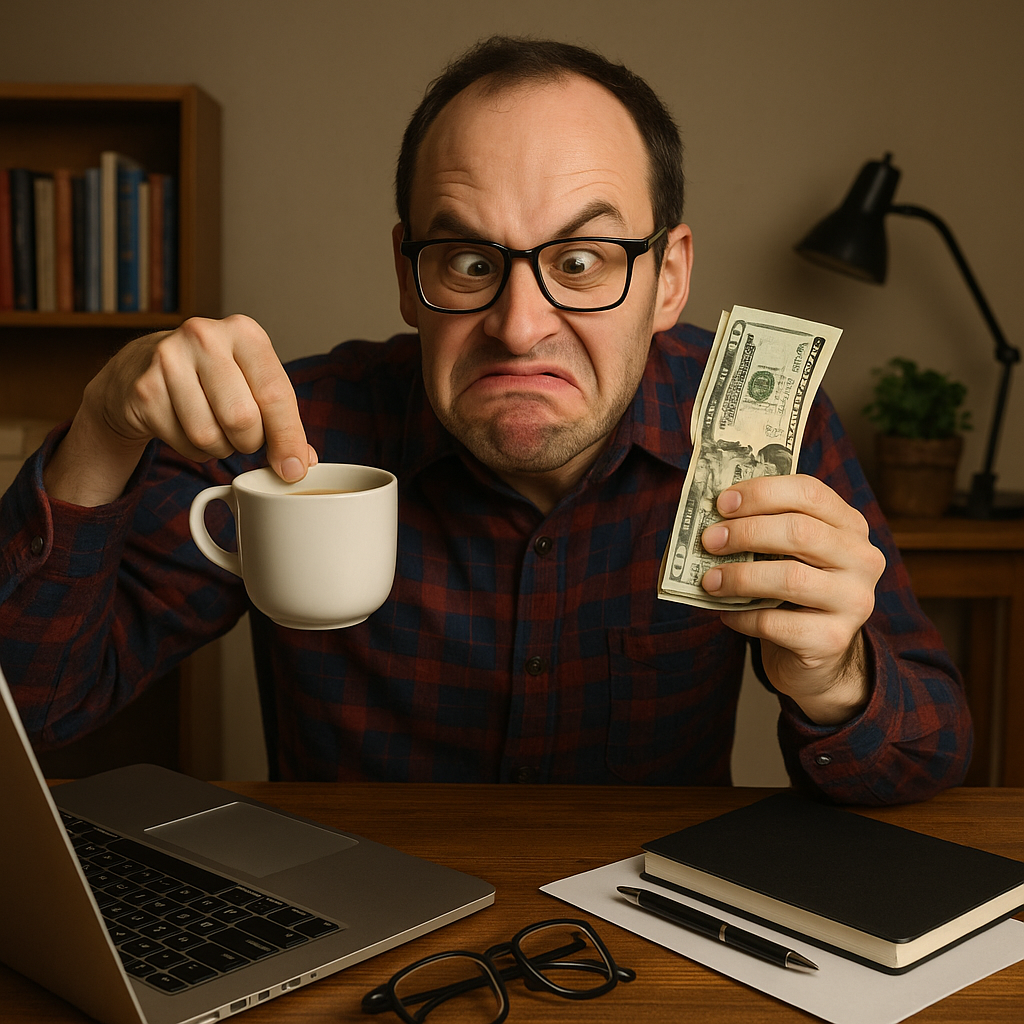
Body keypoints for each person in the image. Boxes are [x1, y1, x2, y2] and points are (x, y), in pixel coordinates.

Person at [0, 37, 970, 802]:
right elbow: (33, 707)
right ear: (406, 275)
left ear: (666, 276)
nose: (518, 324)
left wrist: (836, 676)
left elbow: (927, 758)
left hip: (646, 952)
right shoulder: (296, 427)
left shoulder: (762, 430)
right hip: (349, 936)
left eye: (582, 259)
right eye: (469, 260)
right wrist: (100, 432)